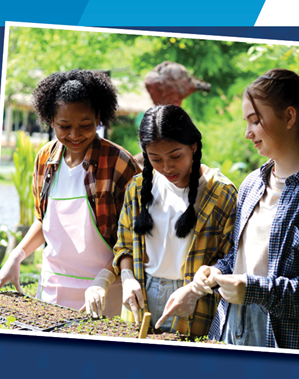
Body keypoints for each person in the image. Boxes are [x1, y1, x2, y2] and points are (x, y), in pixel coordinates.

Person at [162, 68, 299, 351]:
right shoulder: (252, 183)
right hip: (230, 327)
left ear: (289, 117)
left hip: (285, 340)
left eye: (255, 120)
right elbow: (240, 257)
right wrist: (213, 273)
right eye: (247, 122)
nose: (247, 132)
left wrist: (255, 290)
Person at [0, 69, 141, 317]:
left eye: (85, 125)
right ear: (50, 119)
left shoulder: (119, 162)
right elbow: (44, 219)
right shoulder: (44, 159)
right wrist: (17, 255)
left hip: (102, 292)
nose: (74, 135)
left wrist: (103, 279)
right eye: (64, 126)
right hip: (51, 285)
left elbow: (134, 237)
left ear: (99, 118)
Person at [81, 105, 237, 335]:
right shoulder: (137, 187)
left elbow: (231, 257)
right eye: (155, 159)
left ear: (193, 146)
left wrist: (195, 290)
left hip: (197, 298)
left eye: (176, 156)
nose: (167, 167)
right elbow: (124, 244)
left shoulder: (221, 192)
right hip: (143, 291)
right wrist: (127, 277)